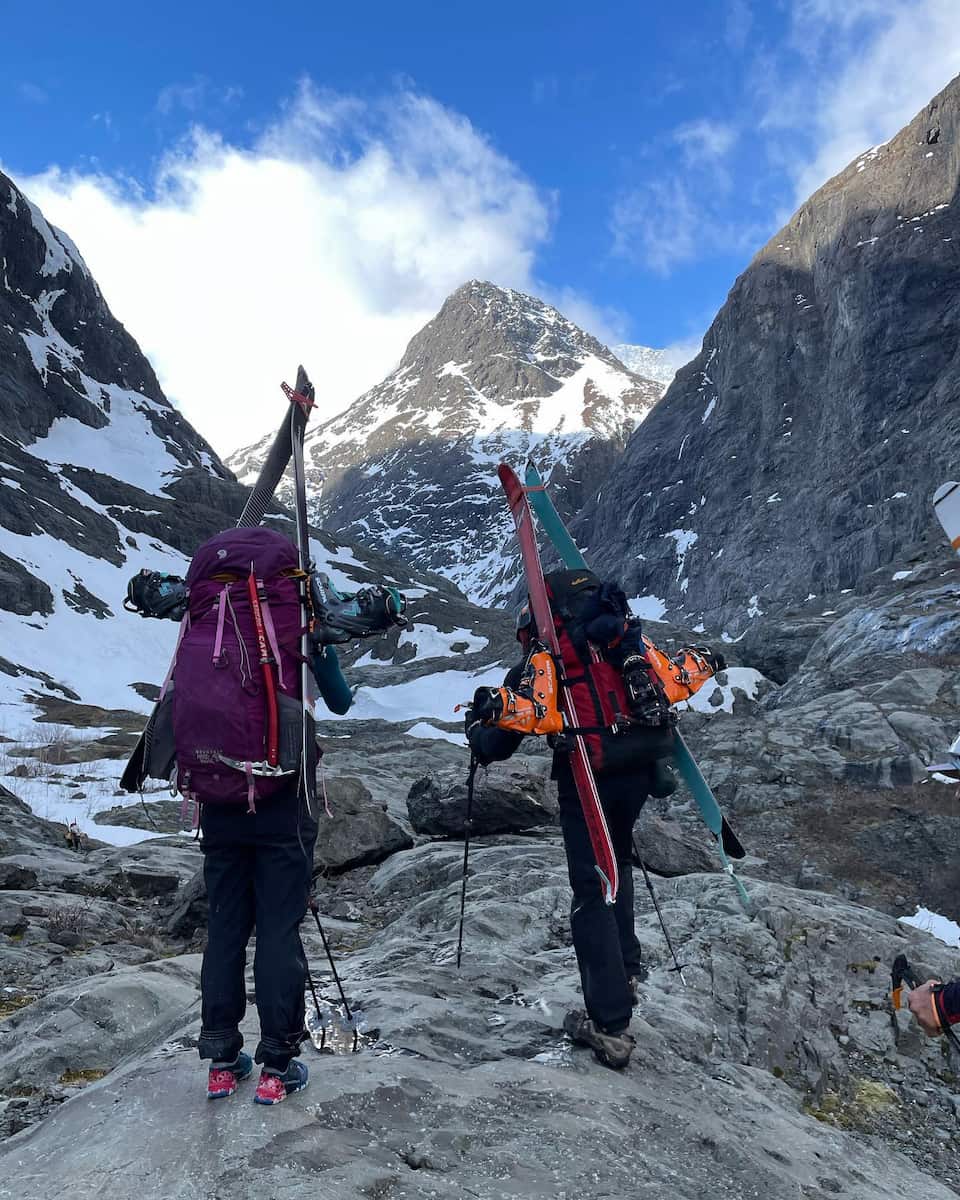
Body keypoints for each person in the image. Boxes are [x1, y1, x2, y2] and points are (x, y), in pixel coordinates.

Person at [122, 535, 405, 1104]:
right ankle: (278, 1067)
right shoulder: (297, 607)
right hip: (282, 793)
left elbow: (150, 595)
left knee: (225, 928)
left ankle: (223, 1061)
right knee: (278, 929)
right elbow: (347, 685)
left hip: (217, 792)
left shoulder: (202, 601)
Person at [464, 569, 723, 1070]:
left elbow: (500, 740)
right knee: (617, 862)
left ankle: (610, 1025)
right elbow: (668, 681)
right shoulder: (622, 637)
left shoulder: (552, 651)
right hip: (640, 770)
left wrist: (476, 731)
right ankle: (625, 970)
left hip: (588, 772)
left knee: (592, 889)